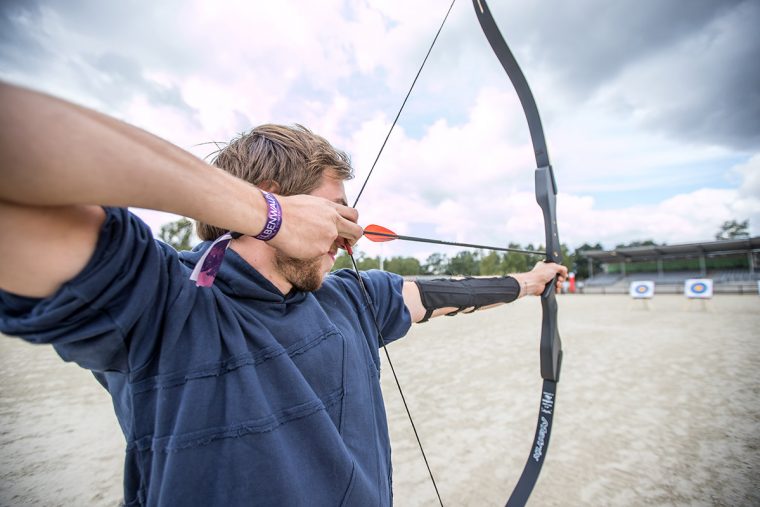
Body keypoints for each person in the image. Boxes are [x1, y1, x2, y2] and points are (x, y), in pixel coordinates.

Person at [0, 83, 567, 506]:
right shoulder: (159, 303)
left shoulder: (350, 299)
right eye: (339, 213)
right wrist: (267, 217)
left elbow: (438, 293)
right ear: (278, 198)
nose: (349, 234)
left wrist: (527, 283)